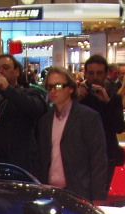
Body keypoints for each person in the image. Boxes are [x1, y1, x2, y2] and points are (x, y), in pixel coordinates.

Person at [36, 66, 107, 203]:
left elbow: (98, 159)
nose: (53, 91)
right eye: (49, 87)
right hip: (49, 192)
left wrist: (98, 197)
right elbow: (42, 158)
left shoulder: (88, 117)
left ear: (71, 88)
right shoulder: (45, 120)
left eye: (58, 86)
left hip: (79, 193)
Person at [79, 54, 125, 192]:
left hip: (106, 155)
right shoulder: (78, 95)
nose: (95, 77)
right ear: (85, 73)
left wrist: (107, 103)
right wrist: (77, 99)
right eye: (91, 73)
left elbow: (119, 127)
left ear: (106, 74)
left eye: (99, 73)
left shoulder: (113, 97)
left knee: (100, 195)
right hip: (82, 154)